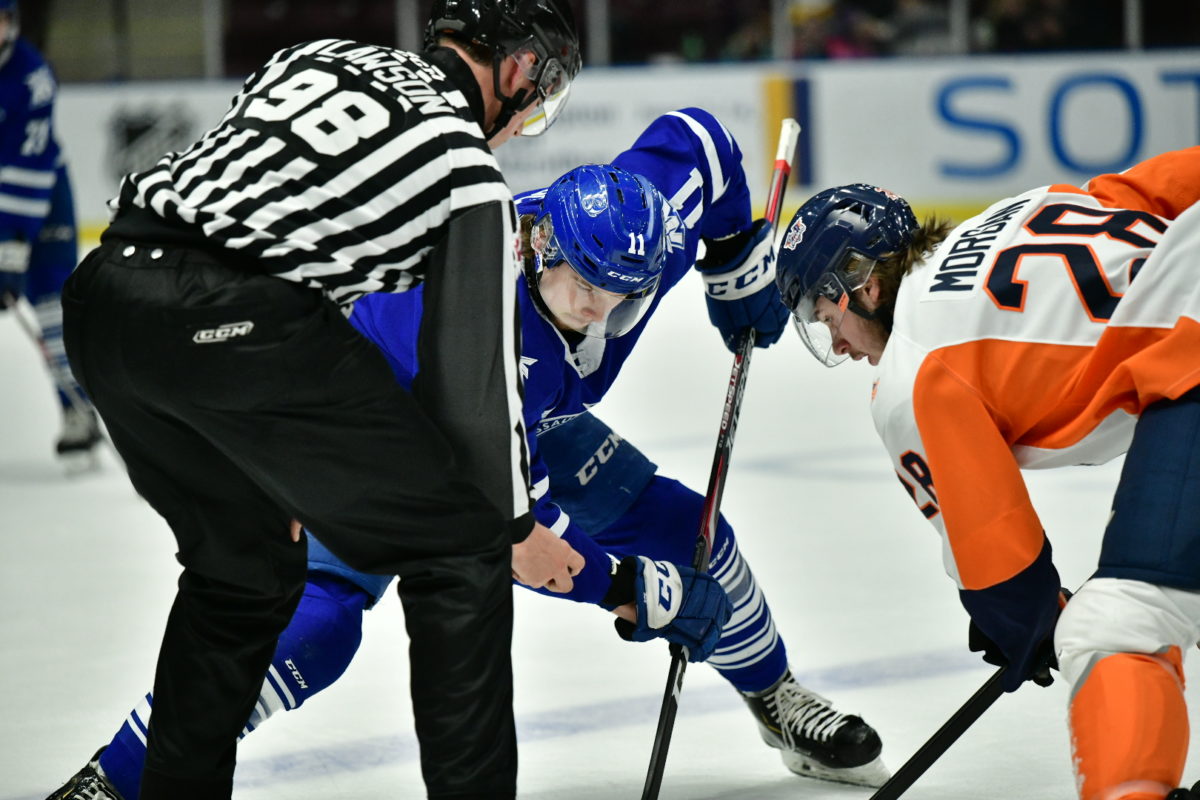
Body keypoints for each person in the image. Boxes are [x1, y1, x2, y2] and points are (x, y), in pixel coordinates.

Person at [47, 108, 890, 800]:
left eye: (622, 299)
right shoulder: (474, 339)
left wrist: (735, 266)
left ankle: (775, 696)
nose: (601, 314)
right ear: (540, 251)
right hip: (381, 423)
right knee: (321, 619)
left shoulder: (634, 236)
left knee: (685, 526)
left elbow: (703, 140)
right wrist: (628, 589)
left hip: (531, 414)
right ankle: (119, 779)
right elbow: (514, 536)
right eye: (586, 293)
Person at [57, 2, 584, 798]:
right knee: (459, 548)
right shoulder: (467, 170)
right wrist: (509, 528)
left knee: (242, 574)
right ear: (518, 70)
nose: (529, 116)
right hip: (232, 320)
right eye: (541, 91)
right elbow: (474, 397)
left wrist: (284, 464)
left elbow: (271, 211)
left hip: (104, 301)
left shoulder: (316, 56)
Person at [773, 149, 1200, 800]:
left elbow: (1003, 565)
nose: (835, 343)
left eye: (827, 317)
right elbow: (1164, 185)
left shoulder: (910, 372)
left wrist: (1022, 621)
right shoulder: (1021, 208)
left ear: (864, 284)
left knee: (1119, 626)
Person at [0, 0, 101, 466]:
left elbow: (26, 169)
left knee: (50, 307)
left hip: (40, 196)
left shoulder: (32, 76)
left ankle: (78, 411)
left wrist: (10, 253)